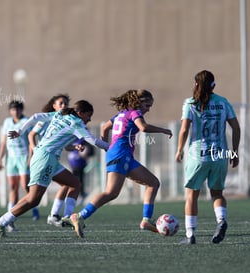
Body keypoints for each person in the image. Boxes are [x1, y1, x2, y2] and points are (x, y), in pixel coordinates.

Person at [0, 101, 109, 238]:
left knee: (74, 184)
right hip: (46, 158)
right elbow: (94, 141)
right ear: (80, 113)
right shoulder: (77, 123)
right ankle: (1, 222)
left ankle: (68, 217)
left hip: (49, 158)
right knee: (33, 199)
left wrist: (20, 130)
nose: (89, 119)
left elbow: (35, 117)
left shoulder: (60, 114)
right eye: (89, 115)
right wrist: (112, 147)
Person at [69, 89, 173, 238]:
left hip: (122, 156)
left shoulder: (122, 113)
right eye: (147, 105)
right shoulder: (135, 112)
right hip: (120, 155)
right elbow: (143, 127)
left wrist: (107, 147)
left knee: (153, 183)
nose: (148, 109)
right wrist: (164, 130)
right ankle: (79, 216)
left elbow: (105, 127)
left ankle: (146, 220)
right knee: (111, 193)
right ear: (139, 102)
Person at [175, 70, 240, 244]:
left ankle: (190, 235)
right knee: (217, 193)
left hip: (198, 156)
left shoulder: (190, 103)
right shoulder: (223, 102)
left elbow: (184, 129)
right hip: (219, 155)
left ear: (195, 84)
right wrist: (235, 151)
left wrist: (179, 149)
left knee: (192, 195)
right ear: (213, 86)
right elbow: (236, 127)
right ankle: (221, 221)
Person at [26, 94, 75, 227]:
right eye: (61, 103)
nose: (64, 106)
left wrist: (76, 146)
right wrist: (33, 150)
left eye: (66, 103)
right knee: (33, 198)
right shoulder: (46, 119)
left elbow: (66, 145)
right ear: (54, 106)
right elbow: (31, 134)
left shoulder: (65, 121)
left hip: (53, 159)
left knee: (70, 183)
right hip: (44, 158)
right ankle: (7, 219)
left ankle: (55, 216)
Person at [0, 100, 39, 232]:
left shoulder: (26, 121)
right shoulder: (7, 122)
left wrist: (31, 157)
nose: (16, 112)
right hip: (11, 159)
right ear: (10, 111)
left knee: (25, 186)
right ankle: (10, 218)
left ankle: (34, 207)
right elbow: (4, 142)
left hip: (23, 157)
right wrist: (0, 159)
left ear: (22, 110)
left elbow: (32, 139)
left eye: (18, 109)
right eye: (13, 110)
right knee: (13, 187)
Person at [67, 140, 94, 205]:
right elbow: (67, 147)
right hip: (73, 164)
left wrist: (87, 152)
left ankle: (81, 195)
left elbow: (92, 151)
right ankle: (74, 196)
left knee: (80, 181)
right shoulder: (71, 138)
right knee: (72, 181)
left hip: (80, 164)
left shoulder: (84, 140)